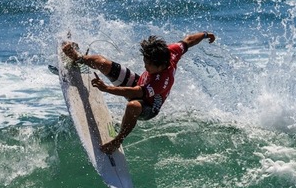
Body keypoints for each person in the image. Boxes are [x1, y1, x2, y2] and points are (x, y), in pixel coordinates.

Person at [62, 31, 216, 154]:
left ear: (161, 66)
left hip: (149, 105)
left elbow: (136, 92)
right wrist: (205, 35)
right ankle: (78, 58)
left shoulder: (162, 80)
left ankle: (118, 140)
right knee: (100, 62)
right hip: (139, 84)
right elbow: (188, 40)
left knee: (133, 106)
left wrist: (107, 88)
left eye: (148, 65)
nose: (145, 66)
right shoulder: (170, 52)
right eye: (145, 62)